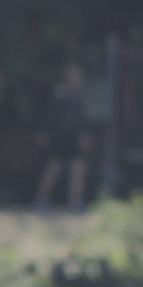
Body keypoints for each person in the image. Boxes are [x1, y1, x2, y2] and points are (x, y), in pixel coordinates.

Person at [35, 64, 92, 210]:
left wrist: (84, 136)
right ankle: (42, 200)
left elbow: (82, 121)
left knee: (79, 168)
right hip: (59, 137)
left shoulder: (79, 97)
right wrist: (44, 133)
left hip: (75, 139)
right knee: (54, 168)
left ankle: (75, 202)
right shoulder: (58, 95)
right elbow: (47, 118)